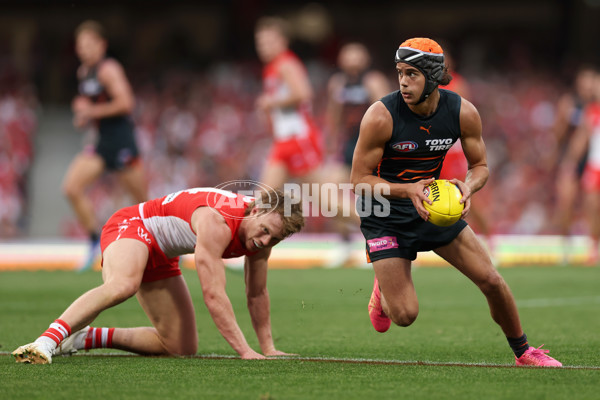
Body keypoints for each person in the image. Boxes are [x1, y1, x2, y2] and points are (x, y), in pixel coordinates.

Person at [350, 37, 562, 367]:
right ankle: (384, 289)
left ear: (433, 77)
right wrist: (408, 191)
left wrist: (468, 187)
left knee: (491, 279)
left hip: (433, 207)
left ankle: (524, 352)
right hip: (384, 213)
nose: (404, 82)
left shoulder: (462, 112)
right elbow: (359, 181)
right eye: (400, 73)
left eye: (412, 74)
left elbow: (481, 167)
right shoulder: (380, 116)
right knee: (404, 315)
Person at [12, 187, 304, 364]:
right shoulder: (218, 222)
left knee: (180, 347)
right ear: (256, 210)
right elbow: (213, 294)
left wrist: (268, 348)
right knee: (123, 285)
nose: (266, 242)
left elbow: (257, 294)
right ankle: (46, 341)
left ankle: (80, 339)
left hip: (161, 250)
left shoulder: (259, 239)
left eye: (275, 239)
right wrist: (244, 351)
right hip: (132, 224)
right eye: (265, 231)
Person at [254, 17, 350, 265]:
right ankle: (249, 249)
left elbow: (303, 93)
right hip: (284, 143)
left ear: (282, 41)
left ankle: (382, 226)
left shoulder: (286, 64)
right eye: (260, 42)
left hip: (299, 142)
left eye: (268, 40)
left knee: (327, 202)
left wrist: (269, 102)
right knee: (261, 198)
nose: (263, 46)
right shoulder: (272, 68)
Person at [63, 20, 147, 271]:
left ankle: (169, 246)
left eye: (90, 44)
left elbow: (126, 103)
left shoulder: (109, 69)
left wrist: (90, 111)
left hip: (121, 141)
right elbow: (92, 107)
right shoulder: (83, 72)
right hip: (101, 143)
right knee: (71, 188)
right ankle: (93, 242)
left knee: (142, 202)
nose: (85, 49)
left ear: (102, 45)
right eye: (81, 45)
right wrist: (83, 115)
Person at [325, 43, 390, 264]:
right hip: (348, 145)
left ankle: (377, 241)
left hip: (370, 143)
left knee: (370, 193)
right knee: (330, 189)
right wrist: (331, 141)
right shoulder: (338, 83)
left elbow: (386, 111)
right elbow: (334, 115)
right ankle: (344, 242)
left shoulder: (373, 81)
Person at [550, 66, 598, 264]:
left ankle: (593, 245)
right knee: (566, 201)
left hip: (592, 157)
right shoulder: (570, 103)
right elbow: (559, 133)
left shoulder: (596, 107)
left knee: (592, 203)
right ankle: (565, 246)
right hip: (570, 156)